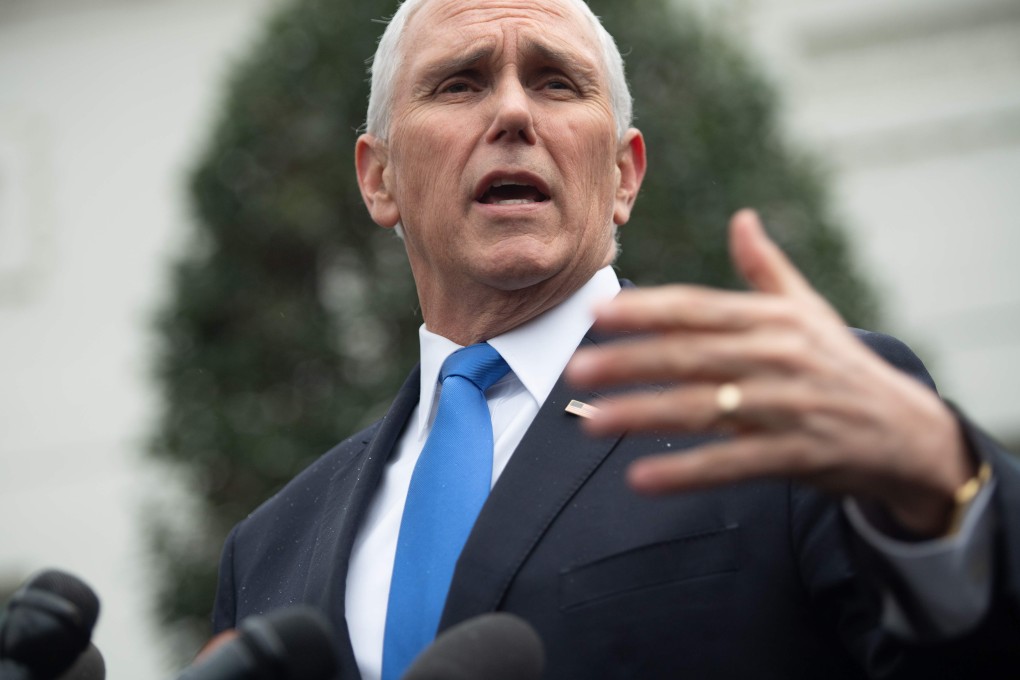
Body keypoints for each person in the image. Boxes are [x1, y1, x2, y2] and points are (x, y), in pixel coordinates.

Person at [211, 0, 1020, 677]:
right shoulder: (267, 551)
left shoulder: (789, 414)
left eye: (556, 83)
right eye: (460, 83)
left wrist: (955, 505)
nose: (513, 113)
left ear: (624, 175)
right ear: (378, 177)